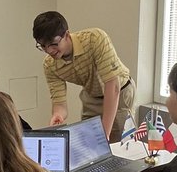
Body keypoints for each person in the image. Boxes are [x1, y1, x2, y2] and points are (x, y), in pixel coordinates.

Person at [32, 11, 135, 140]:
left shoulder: (95, 39)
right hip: (91, 95)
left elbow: (112, 86)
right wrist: (58, 115)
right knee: (88, 143)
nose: (49, 50)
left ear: (67, 35)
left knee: (118, 144)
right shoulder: (50, 65)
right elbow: (59, 103)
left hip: (119, 92)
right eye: (43, 46)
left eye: (53, 44)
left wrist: (105, 133)